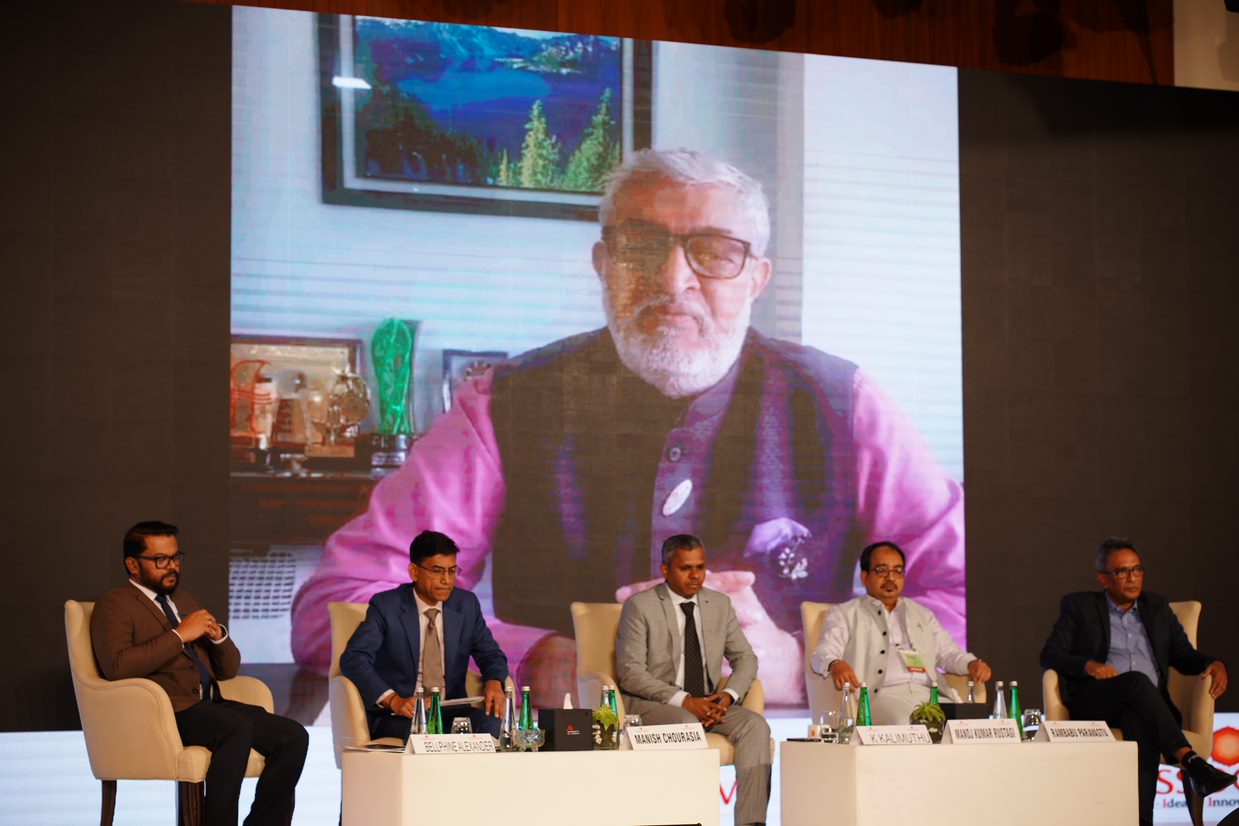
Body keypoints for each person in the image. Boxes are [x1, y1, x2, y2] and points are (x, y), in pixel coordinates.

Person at [292, 147, 965, 706]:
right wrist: (535, 660)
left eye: (714, 252)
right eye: (640, 245)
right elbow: (342, 603)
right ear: (602, 264)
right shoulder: (503, 403)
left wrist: (804, 664)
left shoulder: (844, 404)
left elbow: (966, 598)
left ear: (757, 278)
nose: (672, 280)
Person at [90, 521, 307, 826]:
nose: (172, 567)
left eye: (176, 557)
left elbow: (228, 669)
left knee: (292, 735)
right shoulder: (115, 604)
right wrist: (179, 635)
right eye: (160, 559)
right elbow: (117, 666)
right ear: (133, 565)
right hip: (166, 711)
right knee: (235, 727)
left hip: (210, 705)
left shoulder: (185, 601)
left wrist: (218, 637)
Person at [1040, 537, 1233, 826]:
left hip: (1147, 706)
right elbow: (1050, 655)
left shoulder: (1157, 607)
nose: (1132, 578)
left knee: (1139, 720)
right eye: (1122, 571)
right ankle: (1189, 760)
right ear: (1104, 578)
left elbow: (1183, 655)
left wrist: (1213, 663)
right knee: (1136, 682)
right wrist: (1089, 665)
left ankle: (1142, 819)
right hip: (1096, 700)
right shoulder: (1080, 606)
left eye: (1137, 569)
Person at [617, 535, 771, 826]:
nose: (695, 575)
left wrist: (728, 696)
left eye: (700, 567)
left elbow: (746, 658)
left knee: (755, 725)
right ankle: (689, 819)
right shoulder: (640, 606)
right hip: (654, 704)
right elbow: (631, 673)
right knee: (686, 723)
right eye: (686, 568)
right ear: (665, 570)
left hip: (710, 703)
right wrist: (686, 701)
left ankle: (752, 822)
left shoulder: (719, 604)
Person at [340, 530, 509, 739]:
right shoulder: (387, 606)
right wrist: (392, 699)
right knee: (424, 734)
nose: (446, 580)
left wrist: (494, 680)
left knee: (491, 725)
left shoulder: (466, 605)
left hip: (451, 711)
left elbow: (491, 654)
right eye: (437, 571)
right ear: (414, 572)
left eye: (452, 571)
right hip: (402, 714)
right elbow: (353, 659)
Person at [810, 541, 990, 724]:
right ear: (864, 576)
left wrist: (971, 663)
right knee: (909, 724)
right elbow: (822, 654)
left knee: (966, 725)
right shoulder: (844, 613)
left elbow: (948, 653)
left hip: (929, 695)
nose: (891, 578)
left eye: (897, 571)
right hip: (882, 696)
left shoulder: (922, 614)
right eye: (882, 570)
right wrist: (835, 663)